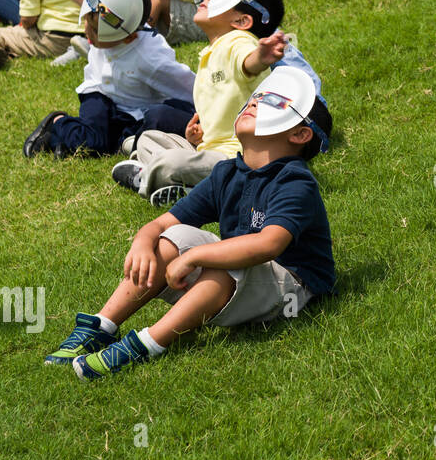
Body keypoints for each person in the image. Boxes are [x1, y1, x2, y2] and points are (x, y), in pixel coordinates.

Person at [45, 65, 333, 380]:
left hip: (291, 291)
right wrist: (144, 240)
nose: (254, 102)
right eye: (256, 96)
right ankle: (102, 325)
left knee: (228, 257)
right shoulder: (226, 172)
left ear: (299, 133)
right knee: (176, 234)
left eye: (273, 102)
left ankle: (147, 344)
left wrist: (194, 256)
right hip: (244, 282)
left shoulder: (296, 181)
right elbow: (163, 223)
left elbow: (267, 245)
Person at [112, 0, 289, 206]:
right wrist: (196, 137)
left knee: (173, 161)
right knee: (148, 139)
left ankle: (147, 177)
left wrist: (261, 56)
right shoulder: (212, 50)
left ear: (241, 21)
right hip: (207, 151)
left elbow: (248, 63)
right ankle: (183, 186)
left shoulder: (238, 41)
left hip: (235, 159)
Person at [23, 0, 196, 159]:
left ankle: (63, 138)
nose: (88, 32)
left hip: (133, 111)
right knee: (93, 142)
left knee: (112, 144)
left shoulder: (150, 57)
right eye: (88, 21)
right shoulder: (106, 16)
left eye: (97, 32)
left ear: (129, 37)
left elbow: (189, 89)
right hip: (98, 92)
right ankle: (57, 121)